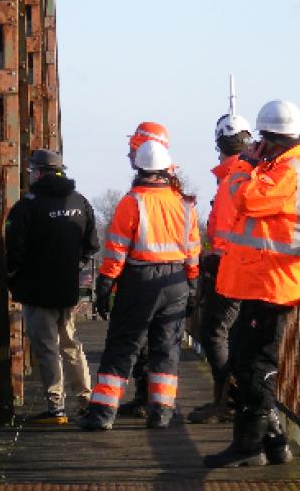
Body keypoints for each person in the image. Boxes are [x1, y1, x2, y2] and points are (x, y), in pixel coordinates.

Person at [204, 100, 300, 468]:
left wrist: (245, 166)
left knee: (255, 365)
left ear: (271, 139)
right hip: (263, 279)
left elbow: (246, 199)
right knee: (245, 358)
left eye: (261, 141)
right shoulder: (283, 167)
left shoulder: (291, 170)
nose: (256, 146)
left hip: (275, 280)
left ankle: (250, 446)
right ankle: (272, 443)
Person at [81, 140, 201, 430]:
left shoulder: (132, 202)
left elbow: (117, 249)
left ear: (139, 168)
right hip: (176, 281)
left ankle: (102, 414)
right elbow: (193, 250)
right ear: (166, 169)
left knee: (123, 345)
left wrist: (106, 282)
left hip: (141, 280)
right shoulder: (184, 204)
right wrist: (193, 284)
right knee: (166, 348)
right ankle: (161, 411)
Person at [5, 149, 99, 424]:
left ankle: (56, 407)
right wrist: (73, 265)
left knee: (47, 347)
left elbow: (14, 251)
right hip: (67, 288)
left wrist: (14, 278)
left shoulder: (27, 206)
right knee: (71, 344)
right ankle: (86, 401)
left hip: (36, 290)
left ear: (37, 172)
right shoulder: (80, 202)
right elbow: (92, 245)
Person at [187, 111, 253, 424]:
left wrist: (214, 259)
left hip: (232, 270)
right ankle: (230, 399)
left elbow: (226, 231)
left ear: (219, 144)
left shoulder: (232, 178)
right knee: (233, 333)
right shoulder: (252, 173)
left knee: (213, 331)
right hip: (249, 267)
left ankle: (227, 401)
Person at [118, 121, 171, 418]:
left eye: (133, 148)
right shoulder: (172, 191)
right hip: (170, 278)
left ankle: (150, 401)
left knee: (148, 341)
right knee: (161, 344)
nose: (128, 153)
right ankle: (154, 403)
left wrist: (109, 278)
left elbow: (121, 242)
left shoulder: (142, 195)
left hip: (144, 275)